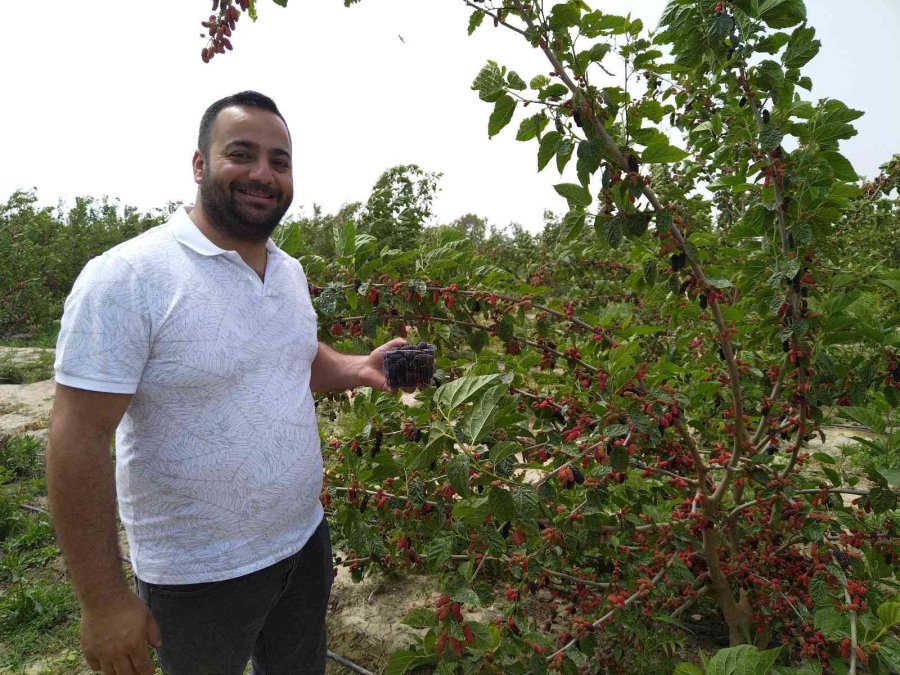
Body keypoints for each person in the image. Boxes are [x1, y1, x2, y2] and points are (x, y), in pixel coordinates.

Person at [46, 91, 408, 675]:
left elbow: (290, 355)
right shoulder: (129, 277)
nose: (263, 173)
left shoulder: (288, 271)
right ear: (199, 165)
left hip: (304, 543)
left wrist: (357, 367)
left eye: (279, 161)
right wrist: (103, 602)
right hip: (197, 578)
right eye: (242, 154)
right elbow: (77, 438)